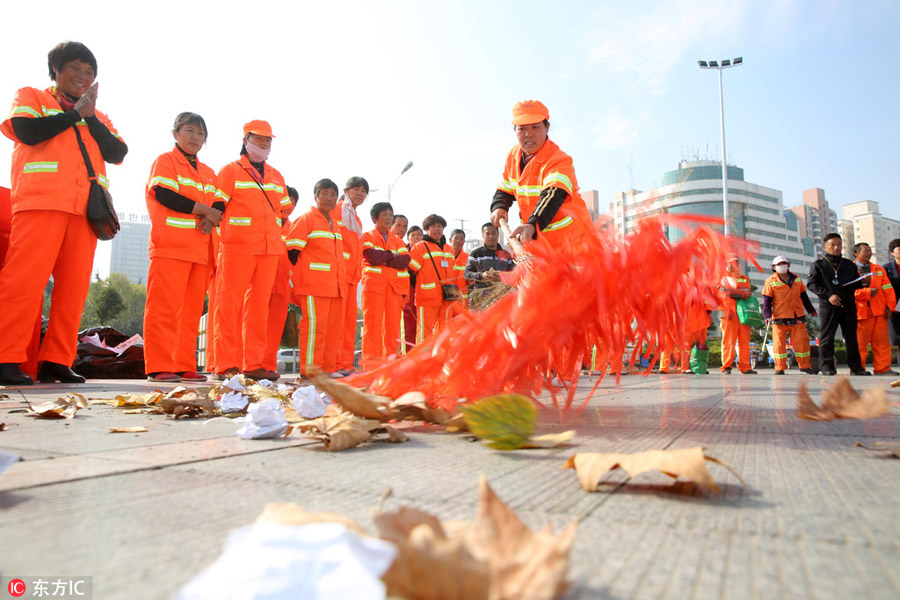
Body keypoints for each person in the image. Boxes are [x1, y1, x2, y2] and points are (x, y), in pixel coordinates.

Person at [0, 41, 127, 386]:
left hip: (85, 211)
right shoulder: (32, 97)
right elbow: (26, 131)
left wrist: (88, 116)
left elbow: (118, 151)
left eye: (89, 72)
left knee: (72, 291)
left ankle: (56, 360)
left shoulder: (98, 116)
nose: (83, 76)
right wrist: (74, 114)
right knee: (23, 283)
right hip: (40, 203)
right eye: (76, 68)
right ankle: (5, 357)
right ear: (55, 70)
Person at [143, 112, 221, 383]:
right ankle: (159, 365)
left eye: (201, 133)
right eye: (190, 131)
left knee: (190, 312)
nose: (195, 137)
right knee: (164, 307)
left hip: (200, 250)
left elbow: (220, 203)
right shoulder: (166, 162)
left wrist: (213, 216)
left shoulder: (208, 172)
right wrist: (204, 211)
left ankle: (183, 364)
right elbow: (163, 194)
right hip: (171, 247)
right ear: (176, 133)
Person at [213, 120, 288, 381]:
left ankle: (253, 363)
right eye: (259, 140)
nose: (264, 145)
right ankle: (225, 364)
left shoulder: (277, 176)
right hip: (237, 247)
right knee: (229, 305)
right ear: (246, 141)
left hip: (269, 249)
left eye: (268, 141)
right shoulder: (230, 171)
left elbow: (285, 209)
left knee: (259, 309)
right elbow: (217, 204)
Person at [489, 100, 593, 250]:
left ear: (547, 128)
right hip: (538, 244)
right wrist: (499, 207)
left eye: (535, 127)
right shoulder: (513, 156)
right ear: (515, 130)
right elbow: (505, 189)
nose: (528, 134)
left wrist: (532, 224)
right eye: (522, 128)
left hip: (573, 244)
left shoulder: (559, 159)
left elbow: (553, 195)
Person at [286, 179, 344, 375]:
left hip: (335, 287)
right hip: (314, 285)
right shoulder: (307, 219)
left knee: (331, 330)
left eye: (333, 194)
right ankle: (311, 370)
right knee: (314, 329)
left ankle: (326, 369)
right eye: (325, 193)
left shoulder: (334, 224)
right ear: (316, 196)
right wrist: (298, 279)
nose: (329, 198)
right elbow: (292, 251)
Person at [807, 233, 869, 376]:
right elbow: (812, 284)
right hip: (829, 306)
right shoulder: (819, 265)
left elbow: (855, 284)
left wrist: (863, 282)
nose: (836, 248)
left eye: (839, 244)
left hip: (848, 305)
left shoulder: (848, 264)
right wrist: (829, 296)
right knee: (827, 337)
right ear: (825, 247)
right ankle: (827, 367)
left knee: (851, 337)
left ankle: (856, 367)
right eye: (833, 245)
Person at [360, 202, 410, 369]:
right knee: (372, 326)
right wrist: (390, 255)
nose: (389, 218)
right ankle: (371, 365)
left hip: (393, 289)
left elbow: (404, 261)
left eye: (391, 214)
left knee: (392, 327)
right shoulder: (367, 236)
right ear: (375, 218)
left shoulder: (398, 240)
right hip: (374, 287)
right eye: (385, 215)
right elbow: (371, 257)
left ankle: (389, 363)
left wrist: (384, 258)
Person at [331, 177, 368, 377]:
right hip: (338, 275)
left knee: (348, 322)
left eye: (364, 191)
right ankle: (335, 363)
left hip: (352, 278)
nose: (360, 194)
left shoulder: (356, 218)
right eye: (356, 189)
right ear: (346, 190)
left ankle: (344, 363)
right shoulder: (336, 211)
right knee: (336, 323)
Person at [262, 186, 299, 374]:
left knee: (275, 326)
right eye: (286, 200)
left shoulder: (294, 228)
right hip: (262, 278)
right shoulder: (266, 220)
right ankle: (251, 363)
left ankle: (268, 365)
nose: (289, 205)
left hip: (282, 283)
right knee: (257, 322)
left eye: (293, 202)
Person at [761, 256, 818, 375]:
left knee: (801, 342)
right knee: (779, 343)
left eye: (784, 263)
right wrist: (767, 315)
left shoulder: (796, 279)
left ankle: (804, 366)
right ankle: (780, 367)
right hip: (779, 316)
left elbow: (804, 296)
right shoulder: (770, 281)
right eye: (779, 264)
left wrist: (811, 310)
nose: (782, 266)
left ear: (788, 265)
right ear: (774, 267)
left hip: (797, 316)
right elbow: (767, 300)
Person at [853, 243, 898, 375]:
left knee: (882, 343)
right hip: (860, 313)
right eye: (865, 251)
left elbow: (888, 289)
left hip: (879, 312)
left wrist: (890, 307)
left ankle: (883, 368)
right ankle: (858, 368)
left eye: (869, 251)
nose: (869, 253)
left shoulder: (878, 269)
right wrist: (867, 293)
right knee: (860, 344)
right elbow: (847, 292)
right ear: (856, 253)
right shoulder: (850, 269)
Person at [408, 214, 454, 343]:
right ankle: (422, 361)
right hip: (427, 297)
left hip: (447, 297)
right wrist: (422, 287)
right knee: (425, 334)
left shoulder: (448, 248)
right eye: (433, 226)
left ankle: (441, 359)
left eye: (439, 226)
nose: (437, 229)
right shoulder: (420, 247)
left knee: (445, 332)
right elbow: (410, 272)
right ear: (426, 230)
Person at [718, 257, 757, 374]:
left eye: (735, 262)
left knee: (745, 341)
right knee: (728, 341)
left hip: (743, 314)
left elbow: (747, 293)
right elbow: (723, 292)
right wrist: (739, 292)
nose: (733, 265)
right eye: (731, 262)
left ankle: (745, 367)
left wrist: (732, 292)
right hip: (728, 314)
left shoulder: (745, 279)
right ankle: (726, 366)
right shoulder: (721, 278)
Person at [464, 222, 515, 309]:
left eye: (494, 233)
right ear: (483, 236)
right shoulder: (476, 254)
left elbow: (514, 274)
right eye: (487, 234)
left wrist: (502, 275)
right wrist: (481, 276)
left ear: (498, 235)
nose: (491, 236)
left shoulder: (506, 255)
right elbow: (467, 274)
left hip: (502, 298)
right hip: (481, 300)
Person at [401, 225, 423, 353]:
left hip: (424, 296)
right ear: (408, 238)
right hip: (408, 295)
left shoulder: (427, 251)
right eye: (413, 235)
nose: (416, 238)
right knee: (408, 328)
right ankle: (407, 355)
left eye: (418, 235)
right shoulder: (403, 252)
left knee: (422, 329)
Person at [883, 238, 900, 366]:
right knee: (894, 338)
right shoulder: (886, 269)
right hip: (893, 308)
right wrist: (887, 307)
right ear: (892, 252)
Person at [449, 229, 469, 306]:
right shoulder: (443, 256)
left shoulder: (468, 258)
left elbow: (470, 281)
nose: (458, 241)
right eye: (456, 238)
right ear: (450, 240)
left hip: (462, 300)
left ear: (464, 242)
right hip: (447, 298)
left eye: (461, 239)